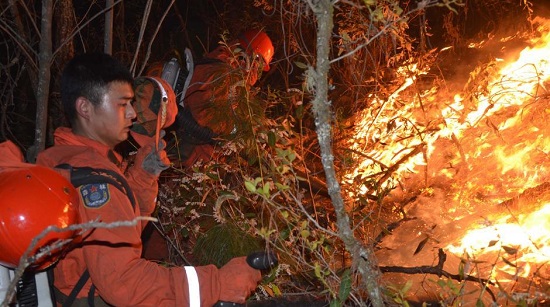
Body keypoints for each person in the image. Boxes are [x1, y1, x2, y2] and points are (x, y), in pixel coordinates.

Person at [35, 52, 262, 306]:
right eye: (123, 104)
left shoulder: (60, 158)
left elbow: (118, 225)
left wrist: (143, 177)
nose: (132, 114)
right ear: (85, 108)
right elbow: (125, 283)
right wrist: (218, 283)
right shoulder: (95, 181)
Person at [168, 29, 274, 167]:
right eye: (257, 65)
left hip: (196, 157)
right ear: (249, 57)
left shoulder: (226, 73)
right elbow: (206, 118)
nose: (256, 72)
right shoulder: (222, 75)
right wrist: (236, 136)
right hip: (188, 155)